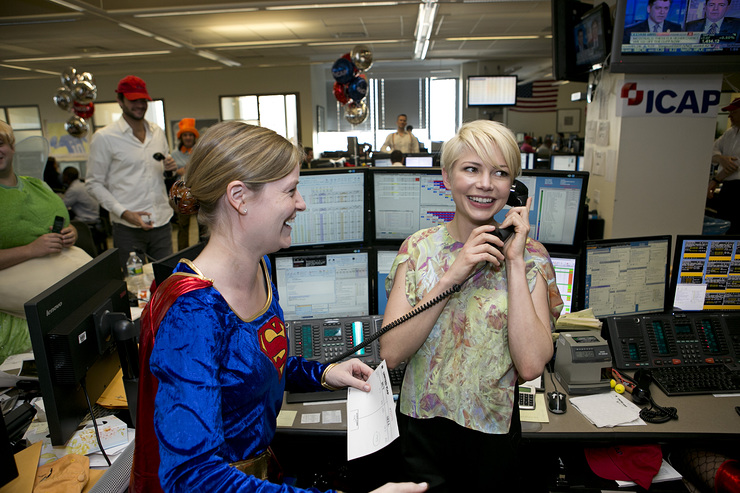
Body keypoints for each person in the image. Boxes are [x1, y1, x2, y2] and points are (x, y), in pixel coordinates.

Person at [131, 121, 428, 493]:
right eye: (290, 190)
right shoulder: (192, 315)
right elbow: (193, 477)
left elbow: (250, 366)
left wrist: (323, 373)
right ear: (239, 197)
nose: (301, 203)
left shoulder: (262, 266)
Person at [379, 120, 563, 492]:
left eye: (500, 173)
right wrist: (452, 276)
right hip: (421, 433)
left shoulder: (532, 258)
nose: (485, 184)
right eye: (471, 169)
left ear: (513, 188)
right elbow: (392, 353)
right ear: (447, 178)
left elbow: (530, 365)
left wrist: (514, 259)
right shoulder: (417, 249)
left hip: (493, 438)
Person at [0, 121, 82, 363]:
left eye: (0, 143)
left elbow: (62, 219)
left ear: (12, 146)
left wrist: (71, 233)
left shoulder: (36, 185)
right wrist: (30, 250)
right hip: (21, 322)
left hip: (63, 312)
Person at [85, 75, 177, 269]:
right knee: (133, 284)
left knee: (166, 279)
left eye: (143, 100)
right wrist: (124, 213)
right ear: (120, 101)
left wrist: (169, 171)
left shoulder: (157, 132)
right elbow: (93, 183)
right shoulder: (105, 137)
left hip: (161, 220)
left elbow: (161, 174)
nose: (140, 105)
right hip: (128, 228)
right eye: (133, 100)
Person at [708, 97, 740, 234]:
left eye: (733, 112)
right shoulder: (730, 133)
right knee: (724, 227)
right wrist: (721, 159)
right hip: (728, 188)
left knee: (734, 230)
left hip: (738, 188)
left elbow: (734, 165)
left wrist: (714, 181)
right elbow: (711, 150)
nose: (729, 116)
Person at [62, 166, 107, 254]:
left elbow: (62, 206)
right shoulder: (83, 185)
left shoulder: (73, 189)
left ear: (66, 177)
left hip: (86, 223)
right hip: (97, 220)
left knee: (65, 225)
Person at [172, 118, 200, 251]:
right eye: (185, 135)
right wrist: (177, 170)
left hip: (199, 193)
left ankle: (203, 250)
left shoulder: (200, 151)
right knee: (183, 226)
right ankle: (182, 253)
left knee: (203, 225)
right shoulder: (174, 154)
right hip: (181, 196)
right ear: (181, 137)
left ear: (194, 137)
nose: (188, 138)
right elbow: (169, 173)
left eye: (190, 135)